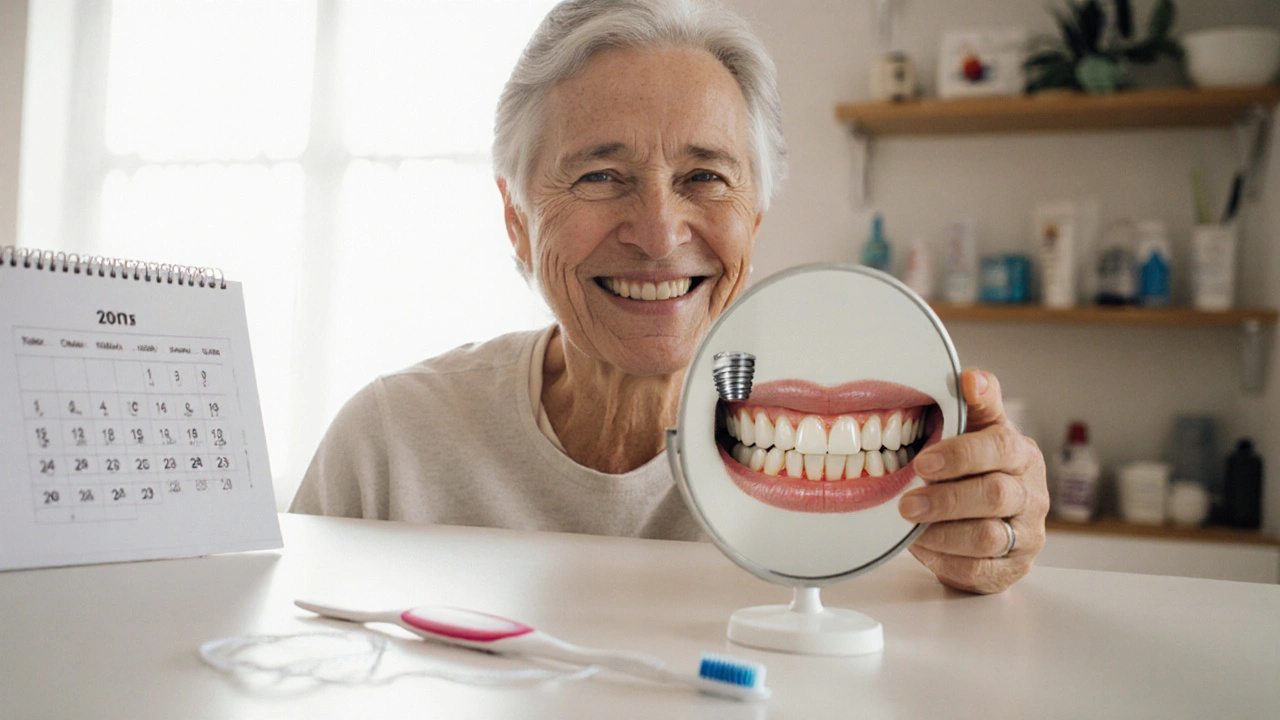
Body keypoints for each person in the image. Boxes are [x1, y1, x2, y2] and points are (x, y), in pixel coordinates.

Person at [290, 0, 1049, 595]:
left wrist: (985, 542)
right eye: (599, 176)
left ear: (752, 222)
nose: (657, 234)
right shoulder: (389, 444)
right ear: (516, 222)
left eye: (705, 177)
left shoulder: (868, 447)